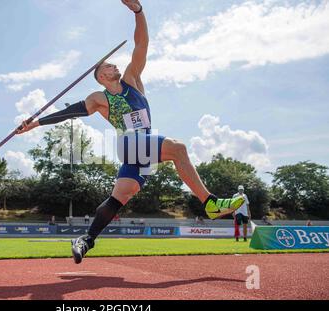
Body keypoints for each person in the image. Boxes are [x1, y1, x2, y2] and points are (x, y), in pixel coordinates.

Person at [17, 0, 245, 264]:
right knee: (178, 148)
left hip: (143, 149)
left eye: (113, 65)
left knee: (121, 195)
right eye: (108, 67)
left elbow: (141, 44)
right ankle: (210, 203)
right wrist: (35, 123)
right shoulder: (98, 97)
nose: (114, 67)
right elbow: (71, 113)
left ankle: (85, 240)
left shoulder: (132, 79)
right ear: (101, 76)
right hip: (129, 144)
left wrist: (139, 11)